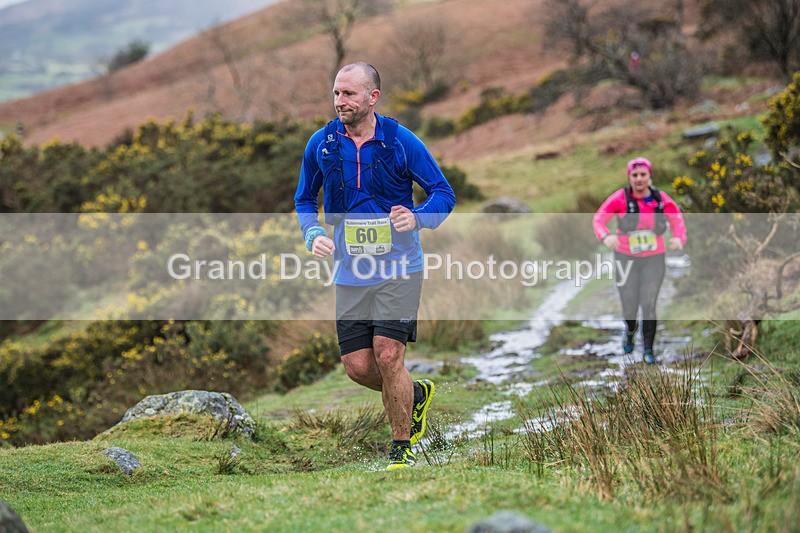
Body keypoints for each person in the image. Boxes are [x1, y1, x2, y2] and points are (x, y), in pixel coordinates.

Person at [294, 62, 456, 470]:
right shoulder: (322, 143)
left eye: (348, 94)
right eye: (335, 93)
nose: (339, 102)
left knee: (388, 356)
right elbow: (303, 200)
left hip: (400, 266)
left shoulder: (401, 141)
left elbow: (443, 193)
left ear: (372, 97)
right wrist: (313, 233)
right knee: (358, 367)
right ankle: (414, 395)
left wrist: (417, 217)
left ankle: (401, 448)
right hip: (350, 270)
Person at [592, 157, 687, 364]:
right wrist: (606, 236)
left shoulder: (660, 199)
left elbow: (676, 218)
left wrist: (679, 238)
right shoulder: (620, 198)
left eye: (643, 174)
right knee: (629, 304)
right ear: (629, 177)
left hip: (654, 258)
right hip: (625, 258)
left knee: (649, 303)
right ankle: (630, 329)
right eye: (634, 175)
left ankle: (649, 351)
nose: (639, 179)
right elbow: (599, 219)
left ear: (649, 176)